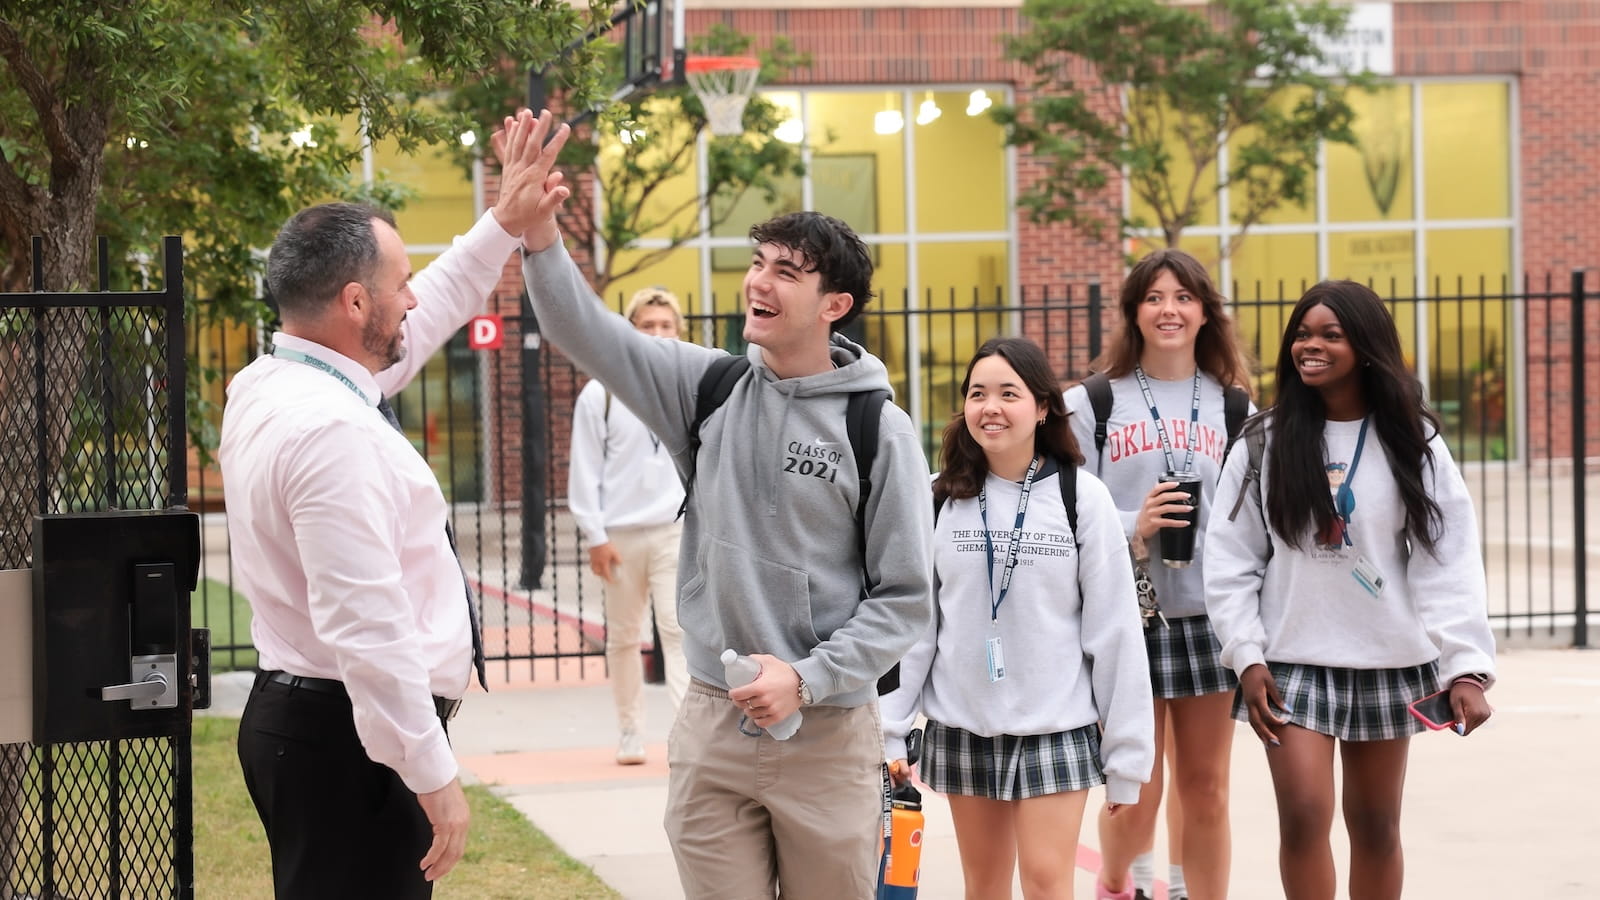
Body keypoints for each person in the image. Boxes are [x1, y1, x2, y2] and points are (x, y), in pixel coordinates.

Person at [508, 107, 935, 898]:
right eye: (758, 261)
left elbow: (907, 601)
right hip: (712, 726)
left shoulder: (878, 428)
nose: (758, 281)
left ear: (834, 303)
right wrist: (538, 238)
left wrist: (806, 679)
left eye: (786, 271)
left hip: (830, 736)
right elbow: (588, 333)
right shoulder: (706, 387)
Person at [221, 115, 548, 897]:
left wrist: (502, 224)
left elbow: (426, 309)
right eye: (398, 282)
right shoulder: (333, 429)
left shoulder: (272, 382)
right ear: (356, 302)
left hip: (313, 729)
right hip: (349, 746)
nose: (412, 296)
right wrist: (431, 773)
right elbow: (364, 626)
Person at [1204, 280, 1497, 900]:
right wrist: (1246, 654)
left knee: (1376, 825)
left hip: (1388, 658)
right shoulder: (1265, 439)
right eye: (1303, 335)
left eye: (1330, 335)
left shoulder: (1413, 441)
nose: (1310, 346)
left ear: (1365, 347)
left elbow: (1447, 559)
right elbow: (1230, 560)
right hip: (1290, 661)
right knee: (1304, 815)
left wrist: (1466, 666)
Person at [883, 336, 1154, 899]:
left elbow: (1116, 632)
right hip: (963, 726)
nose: (992, 407)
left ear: (1044, 406)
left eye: (1009, 393)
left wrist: (1127, 754)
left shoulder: (1083, 498)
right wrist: (889, 730)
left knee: (1047, 881)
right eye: (978, 393)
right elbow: (916, 628)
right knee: (983, 887)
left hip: (1055, 727)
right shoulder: (939, 500)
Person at [1064, 248, 1253, 900]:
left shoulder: (1235, 409)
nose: (1168, 309)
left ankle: (1187, 891)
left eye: (1182, 297)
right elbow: (1060, 505)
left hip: (1207, 616)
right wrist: (1130, 523)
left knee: (1207, 787)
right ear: (1134, 312)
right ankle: (1119, 884)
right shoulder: (1093, 403)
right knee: (1135, 784)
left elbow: (1256, 518)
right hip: (1130, 613)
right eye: (1154, 297)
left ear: (1205, 312)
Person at [566, 286, 690, 765]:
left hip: (674, 532)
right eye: (647, 325)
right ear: (629, 330)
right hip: (619, 535)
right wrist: (595, 536)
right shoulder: (601, 394)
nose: (657, 334)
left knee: (679, 632)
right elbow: (585, 471)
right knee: (622, 637)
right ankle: (629, 732)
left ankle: (683, 736)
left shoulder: (687, 387)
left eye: (665, 325)